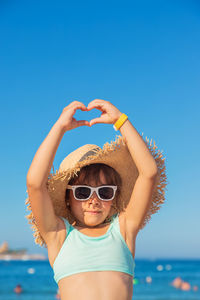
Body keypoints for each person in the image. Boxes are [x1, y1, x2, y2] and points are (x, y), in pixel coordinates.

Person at [26, 99, 167, 300]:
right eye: (83, 192)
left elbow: (149, 173)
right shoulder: (59, 236)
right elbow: (35, 184)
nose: (94, 200)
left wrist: (121, 121)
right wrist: (59, 128)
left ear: (114, 198)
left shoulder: (123, 230)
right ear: (68, 198)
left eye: (105, 192)